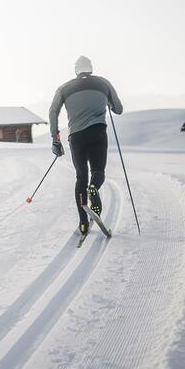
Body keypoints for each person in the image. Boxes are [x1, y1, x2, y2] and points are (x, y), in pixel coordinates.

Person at [48, 56, 123, 235]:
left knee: (81, 177)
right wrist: (107, 101)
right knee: (98, 171)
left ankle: (83, 222)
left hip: (76, 137)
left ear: (76, 70)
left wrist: (55, 138)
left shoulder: (63, 88)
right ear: (91, 68)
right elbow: (118, 109)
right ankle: (94, 188)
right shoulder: (103, 83)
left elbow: (53, 111)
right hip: (98, 132)